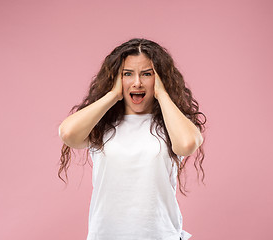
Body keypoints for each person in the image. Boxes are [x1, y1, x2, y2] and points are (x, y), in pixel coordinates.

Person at [58, 38, 206, 240]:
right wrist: (112, 95)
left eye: (147, 74)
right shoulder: (101, 124)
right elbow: (67, 133)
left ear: (160, 78)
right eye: (127, 74)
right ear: (117, 78)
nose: (137, 82)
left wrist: (162, 94)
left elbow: (187, 144)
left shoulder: (172, 123)